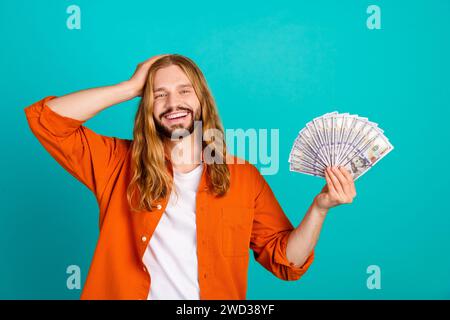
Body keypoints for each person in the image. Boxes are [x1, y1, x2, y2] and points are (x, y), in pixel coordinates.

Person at [24, 54, 357, 300]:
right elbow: (47, 121)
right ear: (146, 106)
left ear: (202, 100)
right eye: (159, 93)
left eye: (184, 91)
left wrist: (320, 207)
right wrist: (129, 87)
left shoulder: (243, 177)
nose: (173, 103)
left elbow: (286, 260)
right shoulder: (117, 162)